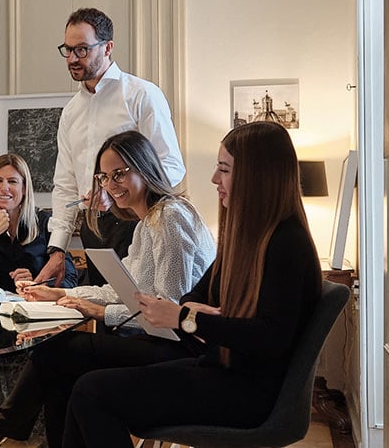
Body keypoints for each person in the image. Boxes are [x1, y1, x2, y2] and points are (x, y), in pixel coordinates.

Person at [63, 121, 322, 447]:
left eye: (224, 169)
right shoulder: (249, 239)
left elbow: (269, 337)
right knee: (86, 389)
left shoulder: (286, 243)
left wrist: (188, 318)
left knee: (91, 392)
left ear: (258, 175)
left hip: (248, 392)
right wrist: (193, 313)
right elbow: (195, 294)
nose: (214, 179)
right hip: (222, 369)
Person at [0, 130, 214, 447]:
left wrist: (100, 312)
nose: (111, 185)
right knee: (61, 373)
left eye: (119, 173)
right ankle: (3, 427)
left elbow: (168, 311)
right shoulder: (147, 223)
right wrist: (62, 294)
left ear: (144, 167)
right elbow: (119, 290)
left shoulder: (170, 217)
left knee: (56, 353)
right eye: (104, 177)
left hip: (182, 348)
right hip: (159, 341)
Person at [35, 7, 186, 288]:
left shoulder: (142, 95)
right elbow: (65, 185)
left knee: (138, 309)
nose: (72, 59)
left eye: (82, 49)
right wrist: (58, 249)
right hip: (93, 227)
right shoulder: (70, 112)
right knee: (102, 309)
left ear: (107, 47)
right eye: (67, 50)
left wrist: (116, 192)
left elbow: (171, 166)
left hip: (137, 222)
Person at [0, 153, 77, 292]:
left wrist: (36, 283)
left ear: (24, 188)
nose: (4, 187)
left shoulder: (45, 222)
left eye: (12, 181)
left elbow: (70, 280)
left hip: (35, 303)